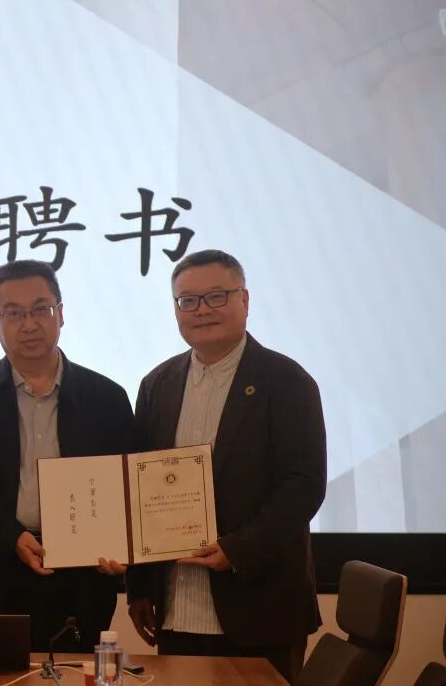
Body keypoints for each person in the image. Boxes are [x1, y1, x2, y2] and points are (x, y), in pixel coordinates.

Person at [114, 249, 326, 684]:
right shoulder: (157, 384)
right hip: (176, 606)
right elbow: (140, 489)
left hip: (260, 605)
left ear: (244, 300)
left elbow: (303, 486)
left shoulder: (287, 381)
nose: (202, 310)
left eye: (216, 296)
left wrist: (237, 550)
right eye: (187, 301)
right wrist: (139, 587)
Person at [0, 259, 134, 652]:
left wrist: (121, 546)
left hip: (82, 577)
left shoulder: (106, 397)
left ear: (61, 314)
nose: (29, 324)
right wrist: (11, 536)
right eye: (14, 313)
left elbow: (127, 487)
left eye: (41, 309)